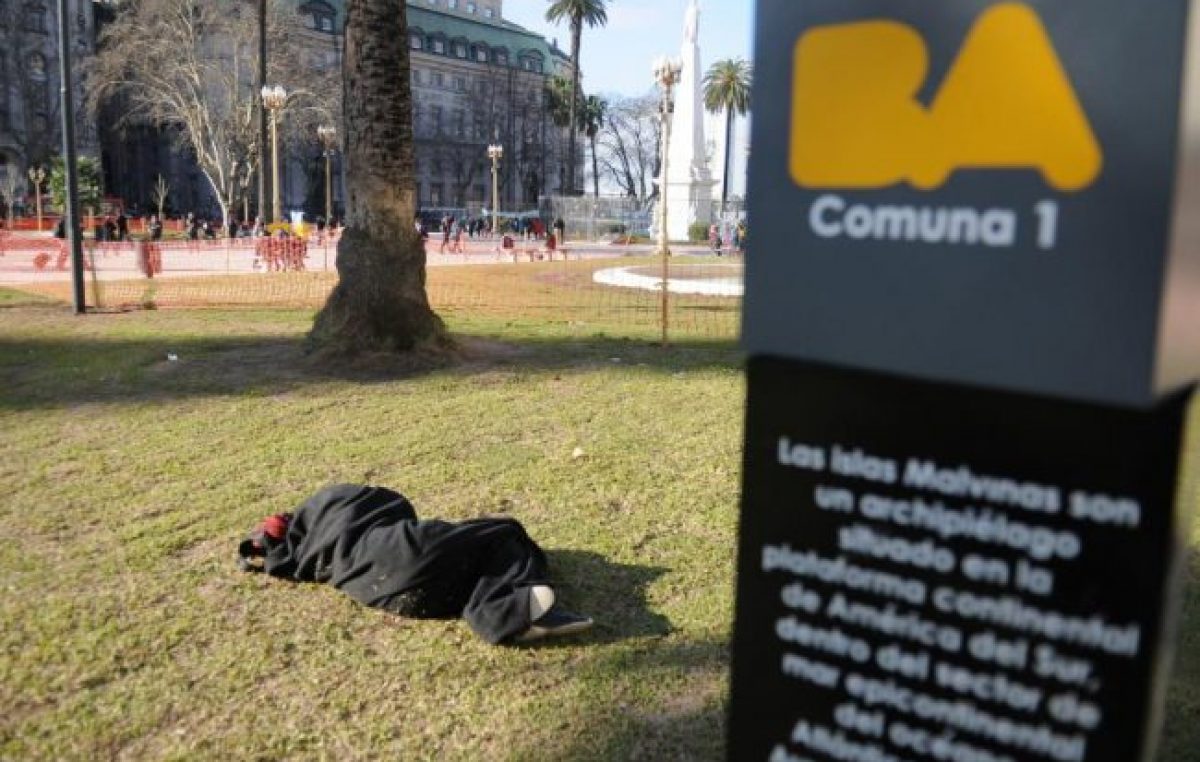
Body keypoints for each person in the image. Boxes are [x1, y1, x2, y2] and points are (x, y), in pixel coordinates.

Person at [238, 484, 593, 645]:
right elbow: (391, 505)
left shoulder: (311, 554)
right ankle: (500, 612)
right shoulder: (327, 501)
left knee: (472, 563)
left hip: (371, 587)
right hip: (397, 549)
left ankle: (503, 606)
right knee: (505, 531)